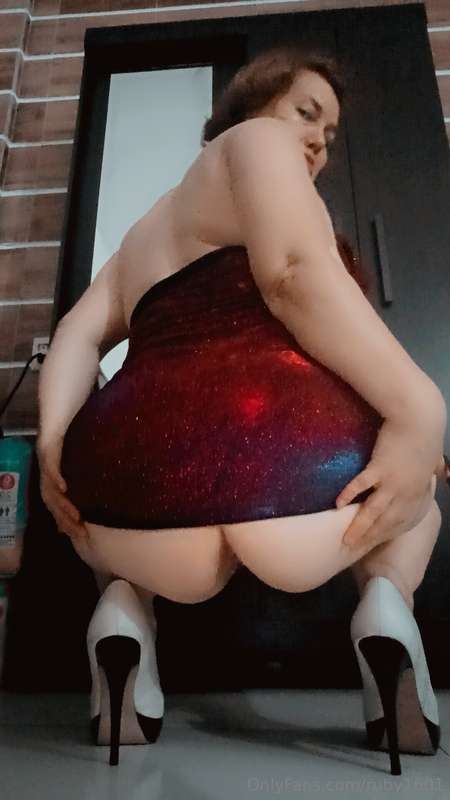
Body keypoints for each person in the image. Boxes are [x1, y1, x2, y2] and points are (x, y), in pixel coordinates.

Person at [37, 45, 448, 771]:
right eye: (307, 114)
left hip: (129, 514)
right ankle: (387, 607)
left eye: (329, 133)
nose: (317, 141)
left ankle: (125, 615)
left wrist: (56, 446)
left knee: (122, 544)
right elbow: (291, 273)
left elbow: (76, 333)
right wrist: (420, 409)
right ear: (251, 107)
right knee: (418, 500)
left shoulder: (142, 236)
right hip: (299, 488)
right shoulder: (257, 142)